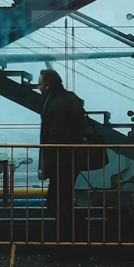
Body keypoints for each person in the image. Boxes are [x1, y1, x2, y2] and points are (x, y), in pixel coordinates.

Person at [36, 69, 86, 242]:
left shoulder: (56, 105)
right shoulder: (69, 99)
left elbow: (55, 139)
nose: (38, 87)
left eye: (40, 83)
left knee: (57, 202)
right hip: (71, 158)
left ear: (47, 86)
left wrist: (46, 166)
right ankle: (70, 236)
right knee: (63, 199)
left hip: (62, 161)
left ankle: (67, 238)